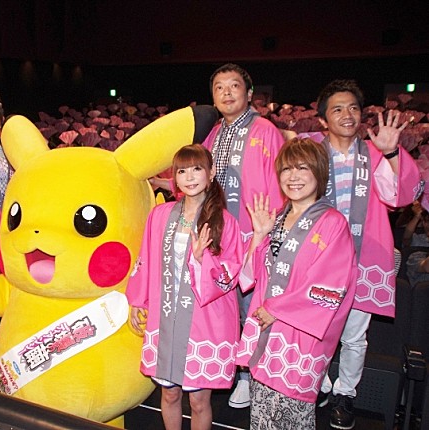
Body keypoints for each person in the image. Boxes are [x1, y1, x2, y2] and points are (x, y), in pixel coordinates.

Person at [315, 80, 422, 430]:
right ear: (323, 120)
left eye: (353, 108)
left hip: (364, 256)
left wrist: (391, 154)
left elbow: (398, 197)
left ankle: (345, 394)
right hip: (319, 260)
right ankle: (319, 385)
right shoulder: (312, 154)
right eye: (337, 109)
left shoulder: (374, 153)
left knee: (354, 336)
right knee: (316, 329)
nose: (347, 115)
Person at [236, 137, 357, 429]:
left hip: (300, 335)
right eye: (287, 169)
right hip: (267, 330)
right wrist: (259, 235)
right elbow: (252, 276)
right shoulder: (278, 218)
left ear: (319, 172)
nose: (293, 176)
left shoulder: (333, 223)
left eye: (303, 168)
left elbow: (330, 286)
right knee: (262, 414)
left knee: (292, 415)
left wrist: (277, 309)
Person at [126, 144, 243, 430]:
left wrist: (203, 260)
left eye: (197, 169)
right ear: (174, 178)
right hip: (166, 316)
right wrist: (137, 300)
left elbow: (230, 274)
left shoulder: (224, 222)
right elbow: (146, 259)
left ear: (211, 173)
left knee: (199, 401)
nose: (189, 177)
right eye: (182, 171)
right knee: (169, 394)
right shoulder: (160, 215)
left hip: (204, 320)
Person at [205, 63, 285, 408]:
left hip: (254, 234)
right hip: (220, 235)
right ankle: (225, 365)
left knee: (250, 307)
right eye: (219, 87)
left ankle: (248, 376)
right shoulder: (213, 134)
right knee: (221, 307)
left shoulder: (266, 131)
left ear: (249, 94)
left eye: (234, 86)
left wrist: (268, 231)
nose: (226, 93)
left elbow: (282, 182)